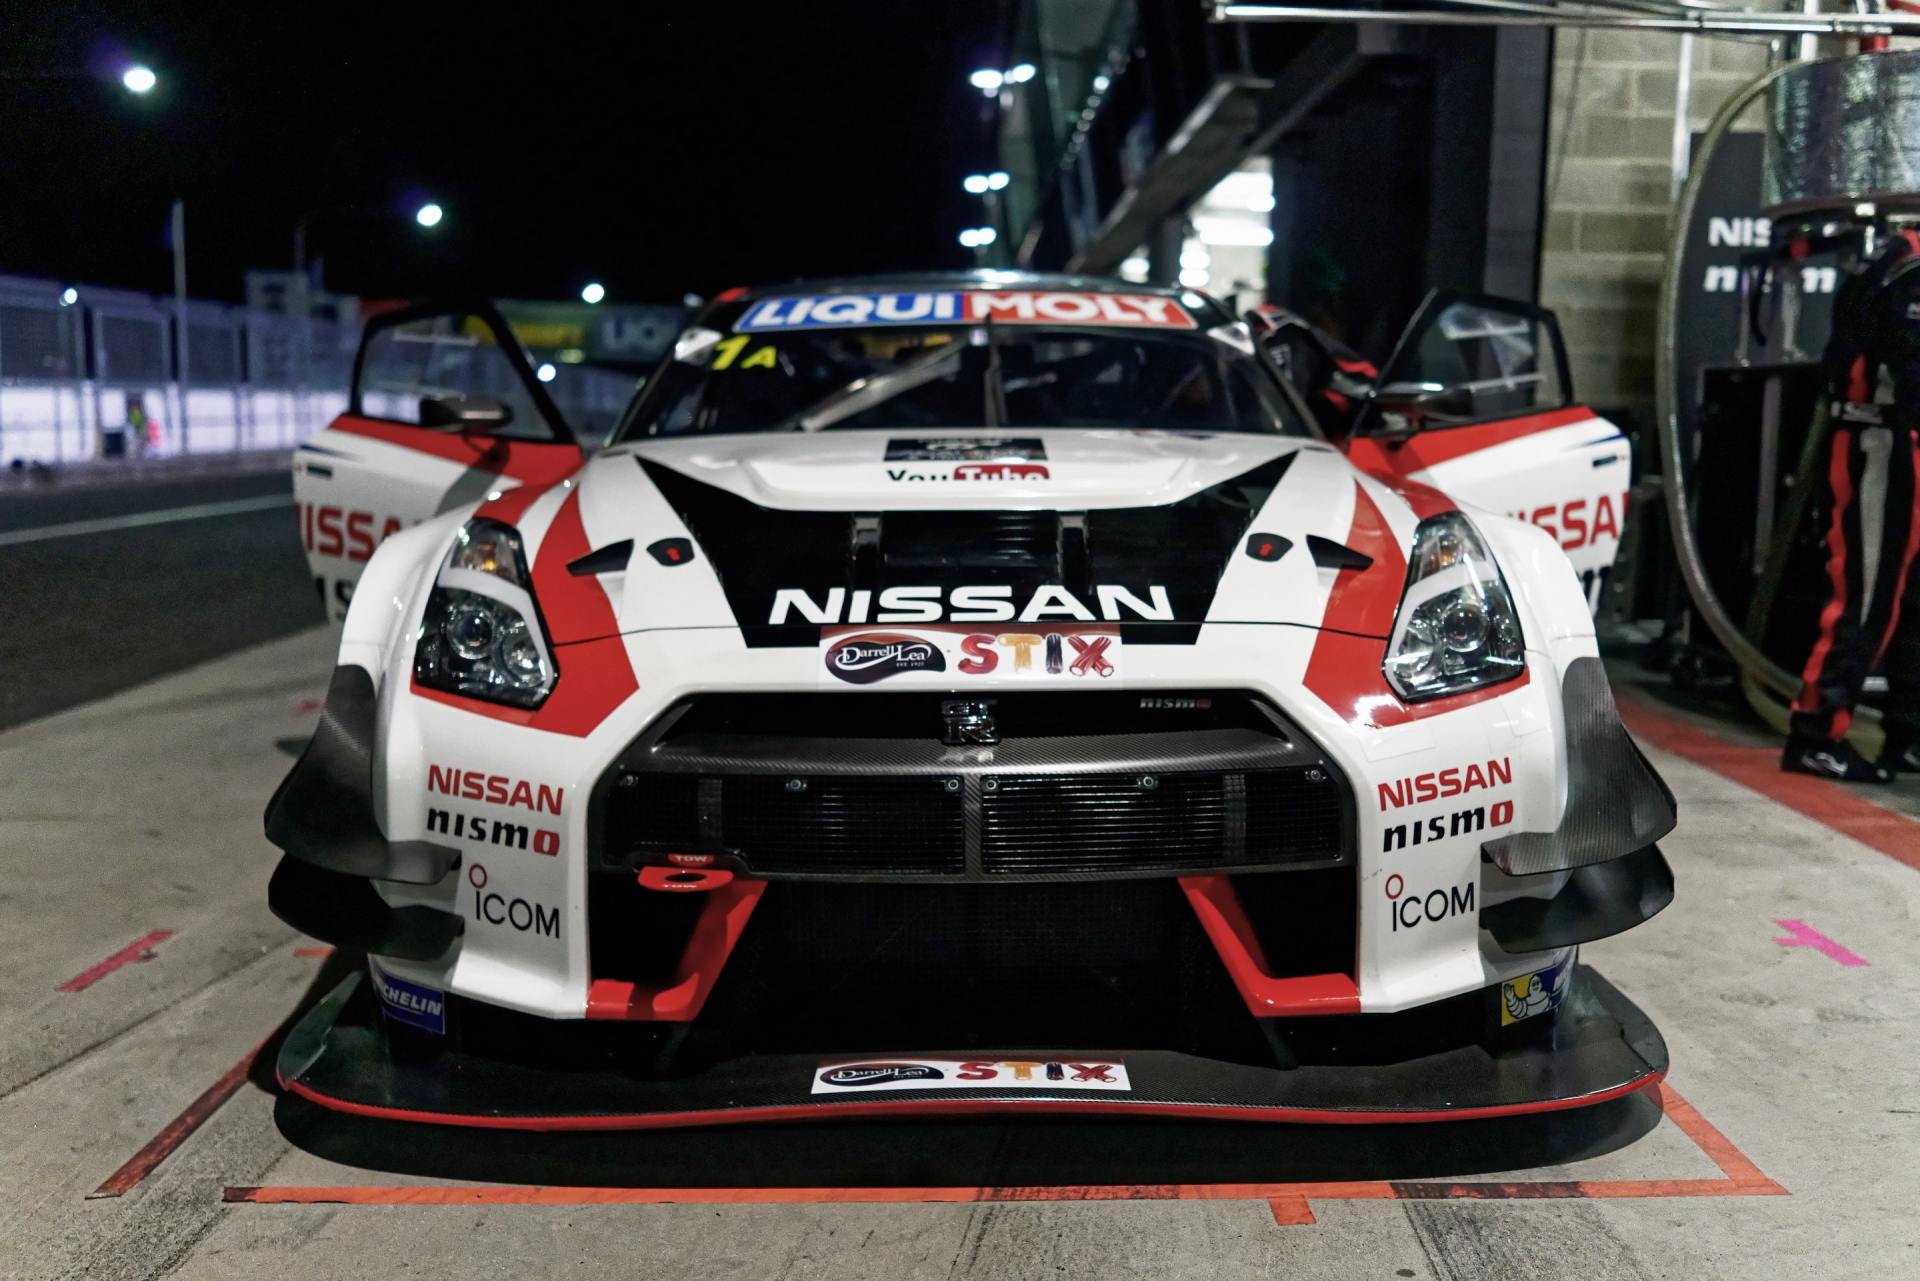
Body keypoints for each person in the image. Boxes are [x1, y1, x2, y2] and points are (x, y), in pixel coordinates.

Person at [1783, 228, 1920, 781]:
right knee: (1866, 596)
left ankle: (1908, 734)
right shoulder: (1909, 266)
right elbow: (1910, 371)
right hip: (1879, 442)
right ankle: (1814, 735)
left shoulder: (1898, 259)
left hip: (1898, 441)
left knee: (1910, 597)